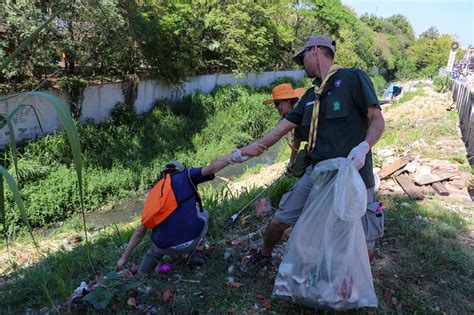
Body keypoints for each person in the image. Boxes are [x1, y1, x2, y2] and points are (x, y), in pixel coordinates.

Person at [239, 35, 385, 275]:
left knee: (364, 239)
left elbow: (376, 120)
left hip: (354, 174)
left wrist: (364, 146)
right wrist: (247, 151)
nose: (301, 64)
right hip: (316, 174)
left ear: (315, 51)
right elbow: (280, 131)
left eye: (302, 57)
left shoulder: (352, 78)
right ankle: (264, 255)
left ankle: (352, 282)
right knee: (279, 220)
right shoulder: (310, 96)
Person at [116, 153, 236, 274]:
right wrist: (233, 156)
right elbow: (211, 168)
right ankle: (196, 253)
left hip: (166, 248)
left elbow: (139, 232)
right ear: (180, 170)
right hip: (192, 241)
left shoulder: (155, 193)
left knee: (154, 251)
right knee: (203, 214)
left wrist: (124, 258)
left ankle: (143, 273)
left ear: (163, 175)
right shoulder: (187, 175)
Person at [263, 83, 305, 173]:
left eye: (278, 103)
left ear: (289, 101)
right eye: (275, 104)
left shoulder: (301, 111)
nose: (277, 108)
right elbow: (297, 138)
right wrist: (291, 161)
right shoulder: (293, 115)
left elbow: (278, 133)